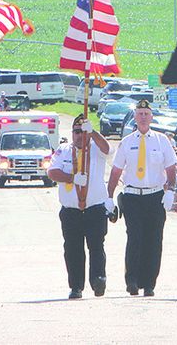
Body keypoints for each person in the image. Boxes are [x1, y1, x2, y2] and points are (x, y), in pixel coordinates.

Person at [108, 99, 177, 297]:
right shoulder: (127, 142)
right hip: (132, 196)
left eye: (146, 113)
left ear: (152, 116)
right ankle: (132, 280)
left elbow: (171, 168)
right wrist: (109, 197)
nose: (143, 117)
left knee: (154, 240)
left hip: (154, 195)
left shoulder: (162, 140)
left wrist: (170, 190)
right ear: (135, 117)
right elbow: (116, 171)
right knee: (135, 238)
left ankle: (149, 283)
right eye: (140, 114)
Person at [48, 116, 112, 300]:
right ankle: (76, 286)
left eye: (82, 132)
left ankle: (98, 280)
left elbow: (107, 149)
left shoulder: (96, 150)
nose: (79, 136)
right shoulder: (64, 150)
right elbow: (52, 172)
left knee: (96, 246)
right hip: (71, 211)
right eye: (76, 132)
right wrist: (71, 177)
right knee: (73, 249)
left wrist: (93, 132)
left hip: (94, 208)